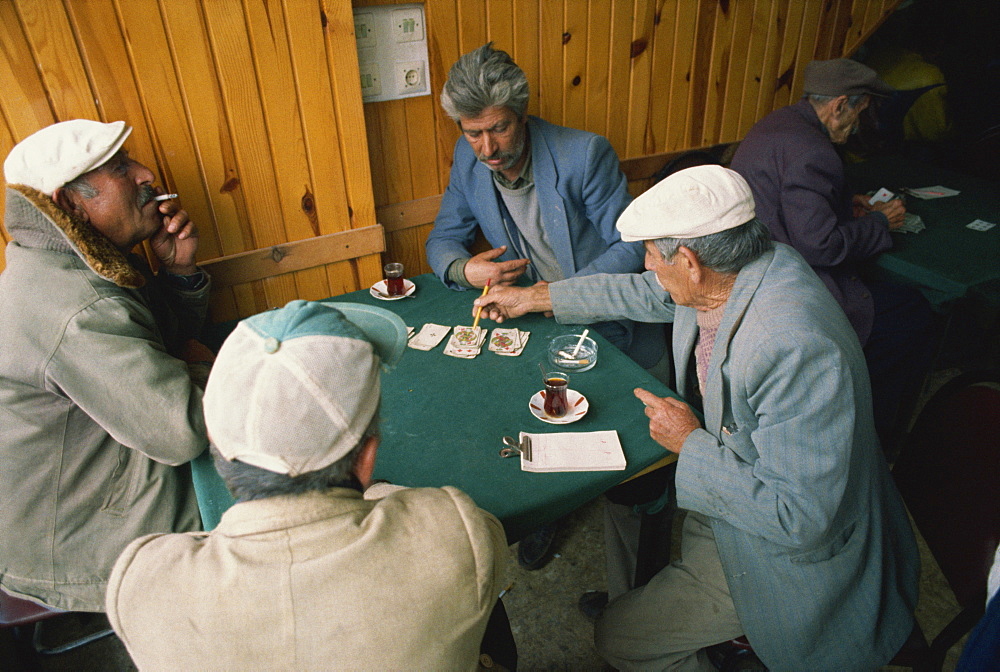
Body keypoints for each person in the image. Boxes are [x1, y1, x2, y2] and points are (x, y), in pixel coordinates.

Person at [474, 165, 919, 669]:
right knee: (643, 587)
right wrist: (531, 297)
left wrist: (690, 442)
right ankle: (663, 608)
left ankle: (700, 632)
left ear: (687, 260)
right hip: (734, 503)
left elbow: (802, 518)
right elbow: (642, 293)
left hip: (790, 555)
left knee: (616, 638)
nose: (646, 267)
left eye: (650, 256)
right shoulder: (741, 267)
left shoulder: (792, 345)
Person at [105, 300, 514, 670]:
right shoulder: (455, 533)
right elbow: (487, 547)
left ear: (218, 447)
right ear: (367, 459)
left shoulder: (141, 583)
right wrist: (382, 494)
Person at [428, 42, 665, 570]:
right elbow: (442, 239)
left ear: (523, 115)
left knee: (632, 478)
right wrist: (467, 269)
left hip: (615, 329)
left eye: (499, 129)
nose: (487, 148)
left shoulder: (584, 154)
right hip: (534, 324)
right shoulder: (469, 164)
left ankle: (636, 581)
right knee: (540, 426)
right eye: (472, 134)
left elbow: (632, 245)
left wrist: (554, 297)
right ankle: (549, 510)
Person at [0, 119, 211, 612]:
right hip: (72, 543)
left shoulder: (59, 262)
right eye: (120, 168)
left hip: (73, 497)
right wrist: (205, 369)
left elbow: (158, 343)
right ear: (70, 204)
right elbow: (181, 431)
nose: (146, 174)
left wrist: (177, 272)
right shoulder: (78, 308)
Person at [730, 58, 934, 451]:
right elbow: (821, 246)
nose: (858, 123)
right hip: (788, 288)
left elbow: (791, 198)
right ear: (839, 105)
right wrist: (880, 224)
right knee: (914, 313)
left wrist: (842, 204)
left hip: (752, 266)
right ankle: (870, 428)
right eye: (858, 111)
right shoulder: (814, 150)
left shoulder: (776, 124)